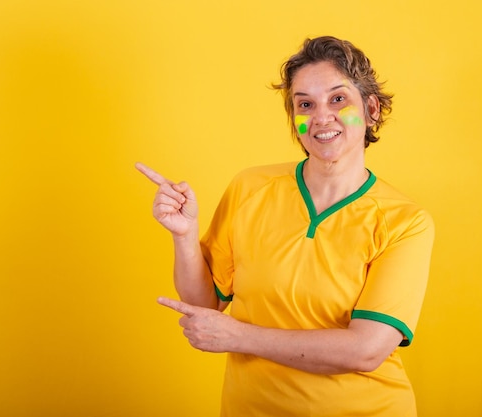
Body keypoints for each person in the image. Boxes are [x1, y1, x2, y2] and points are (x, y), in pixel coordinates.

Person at [136, 36, 434, 417]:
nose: (321, 116)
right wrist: (184, 236)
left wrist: (240, 336)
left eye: (338, 99)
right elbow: (204, 305)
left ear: (371, 108)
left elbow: (366, 350)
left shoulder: (405, 221)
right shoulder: (250, 188)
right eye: (305, 104)